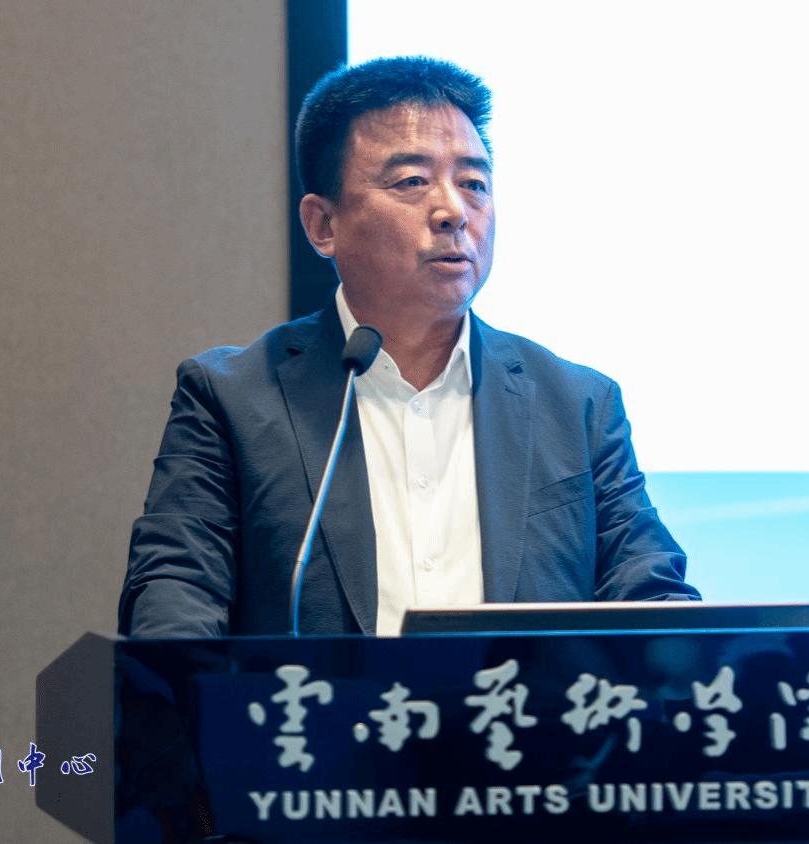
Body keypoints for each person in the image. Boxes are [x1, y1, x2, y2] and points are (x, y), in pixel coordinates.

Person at [118, 56, 698, 638]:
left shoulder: (577, 404)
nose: (453, 212)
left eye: (473, 184)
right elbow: (175, 594)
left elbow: (651, 593)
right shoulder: (231, 398)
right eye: (412, 182)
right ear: (323, 225)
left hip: (518, 703)